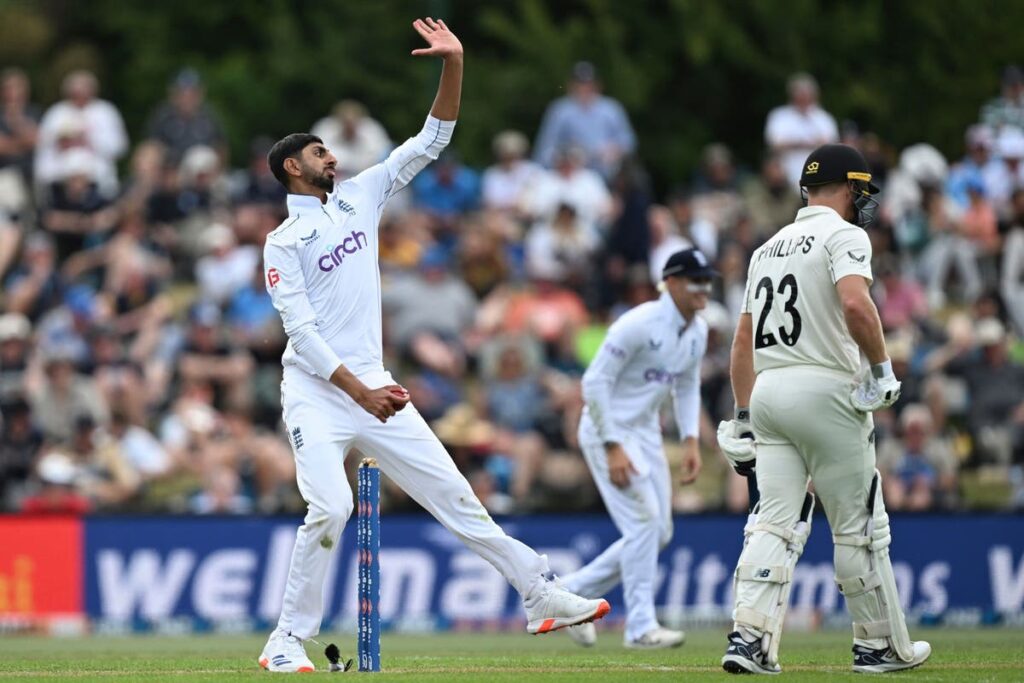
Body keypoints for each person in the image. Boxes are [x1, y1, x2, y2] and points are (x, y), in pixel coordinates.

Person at [257, 18, 609, 673]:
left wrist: (454, 62)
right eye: (319, 153)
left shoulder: (361, 195)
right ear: (290, 168)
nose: (333, 158)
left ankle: (539, 593)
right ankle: (284, 639)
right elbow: (301, 338)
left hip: (374, 384)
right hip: (320, 391)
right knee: (331, 505)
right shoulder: (282, 243)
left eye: (331, 150)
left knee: (458, 498)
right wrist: (360, 392)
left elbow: (433, 139)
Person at [716, 143, 931, 674]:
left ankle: (749, 640)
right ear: (851, 188)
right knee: (859, 524)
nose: (865, 203)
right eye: (862, 192)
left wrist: (743, 418)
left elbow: (742, 343)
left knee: (773, 524)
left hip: (768, 394)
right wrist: (882, 370)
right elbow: (857, 304)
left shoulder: (766, 248)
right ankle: (878, 645)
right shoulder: (845, 234)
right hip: (826, 390)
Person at [560, 247, 710, 650]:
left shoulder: (698, 330)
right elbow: (593, 383)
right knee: (644, 525)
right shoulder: (638, 324)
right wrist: (612, 446)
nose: (705, 290)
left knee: (659, 531)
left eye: (708, 281)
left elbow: (687, 384)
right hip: (605, 430)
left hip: (644, 432)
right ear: (673, 283)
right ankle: (640, 627)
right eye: (696, 281)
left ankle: (568, 595)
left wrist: (691, 438)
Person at [533, 61, 636, 179]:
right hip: (572, 177)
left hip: (608, 175)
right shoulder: (560, 110)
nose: (584, 88)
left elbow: (629, 142)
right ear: (571, 85)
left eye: (588, 84)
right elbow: (544, 150)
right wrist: (568, 157)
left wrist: (614, 150)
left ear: (597, 85)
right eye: (580, 84)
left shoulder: (611, 109)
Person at [765, 73, 839, 188]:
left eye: (806, 93)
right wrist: (808, 144)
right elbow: (774, 144)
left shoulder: (823, 118)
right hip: (786, 178)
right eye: (800, 93)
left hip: (818, 178)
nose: (803, 97)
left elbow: (831, 146)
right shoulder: (779, 116)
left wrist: (793, 144)